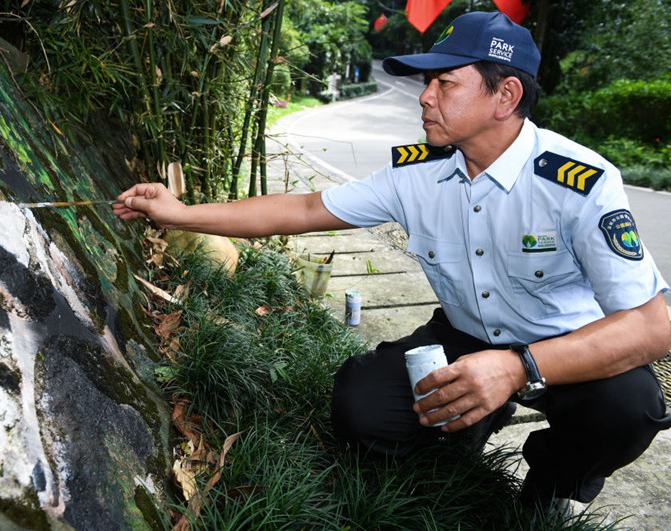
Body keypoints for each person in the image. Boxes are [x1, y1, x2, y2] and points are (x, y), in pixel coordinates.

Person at [114, 10, 671, 514]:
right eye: (428, 82)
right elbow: (304, 207)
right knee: (361, 410)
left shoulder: (577, 184)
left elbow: (654, 326)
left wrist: (518, 367)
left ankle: (548, 486)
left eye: (445, 83)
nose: (425, 97)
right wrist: (182, 213)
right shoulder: (418, 173)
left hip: (562, 348)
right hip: (465, 337)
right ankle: (472, 416)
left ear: (505, 96)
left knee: (630, 407)